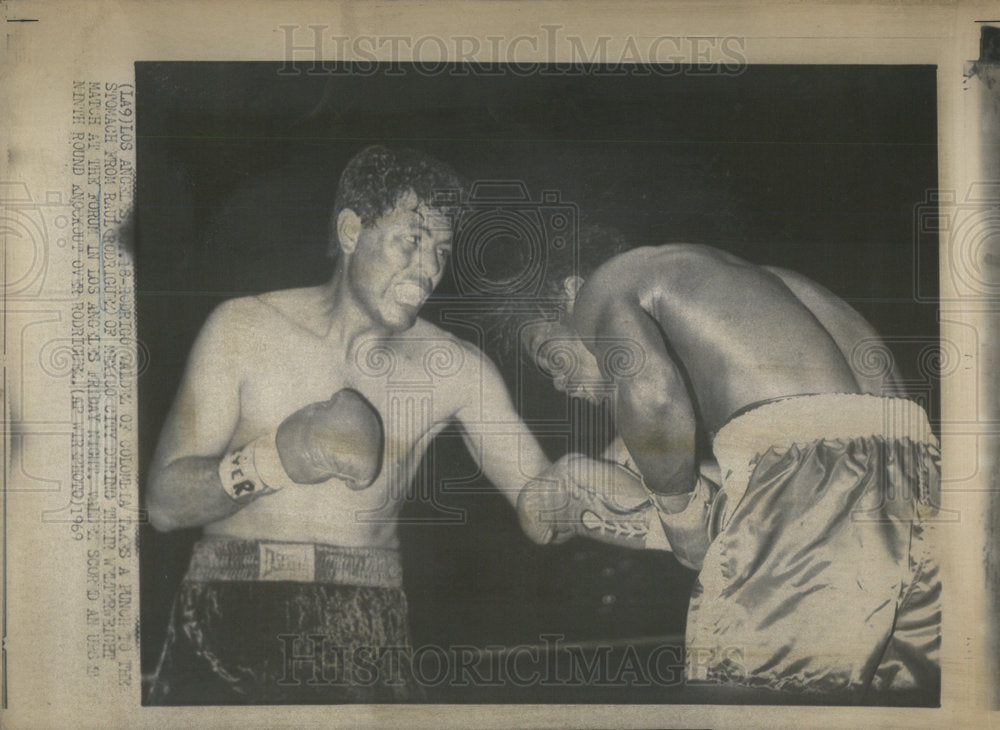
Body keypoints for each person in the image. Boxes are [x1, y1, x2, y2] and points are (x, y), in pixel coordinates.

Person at [145, 146, 562, 703]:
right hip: (230, 605)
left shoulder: (457, 368)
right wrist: (277, 459)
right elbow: (164, 505)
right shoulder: (244, 328)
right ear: (350, 230)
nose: (429, 268)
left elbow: (542, 503)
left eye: (441, 249)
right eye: (411, 241)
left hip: (367, 621)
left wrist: (625, 490)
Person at [509, 236, 940, 701]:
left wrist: (680, 517)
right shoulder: (770, 295)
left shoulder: (609, 282)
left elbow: (651, 393)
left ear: (570, 293)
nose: (556, 379)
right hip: (923, 489)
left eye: (546, 351)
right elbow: (844, 455)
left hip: (812, 490)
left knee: (747, 709)